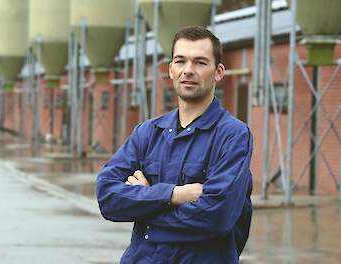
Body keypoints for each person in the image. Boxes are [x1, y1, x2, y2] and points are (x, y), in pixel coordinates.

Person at [96, 25, 253, 263]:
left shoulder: (233, 136)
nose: (188, 70)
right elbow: (107, 196)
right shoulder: (147, 133)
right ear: (170, 69)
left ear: (219, 72)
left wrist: (145, 203)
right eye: (180, 61)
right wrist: (174, 195)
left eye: (200, 62)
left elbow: (216, 217)